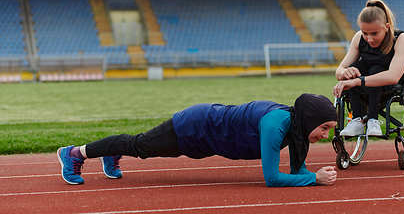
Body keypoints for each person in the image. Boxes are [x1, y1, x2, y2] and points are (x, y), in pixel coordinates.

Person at [57, 93, 338, 187]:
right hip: (197, 126)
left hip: (207, 139)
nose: (324, 135)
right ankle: (74, 153)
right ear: (309, 119)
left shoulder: (298, 128)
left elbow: (298, 170)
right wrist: (313, 179)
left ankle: (112, 153)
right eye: (324, 128)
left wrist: (311, 174)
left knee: (148, 150)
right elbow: (273, 178)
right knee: (140, 145)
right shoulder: (275, 124)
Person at [332, 0, 404, 136]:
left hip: (392, 85)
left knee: (377, 70)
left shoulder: (402, 39)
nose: (369, 39)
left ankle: (373, 120)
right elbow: (339, 70)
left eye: (374, 33)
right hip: (364, 82)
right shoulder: (358, 37)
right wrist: (346, 73)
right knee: (353, 68)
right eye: (365, 33)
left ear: (387, 27)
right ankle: (357, 120)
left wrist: (357, 81)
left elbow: (393, 76)